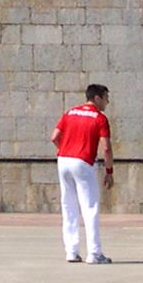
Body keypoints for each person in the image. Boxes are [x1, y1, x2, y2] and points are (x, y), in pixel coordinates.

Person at [51, 83, 114, 265]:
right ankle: (94, 253)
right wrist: (109, 171)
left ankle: (71, 252)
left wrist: (65, 150)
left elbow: (54, 137)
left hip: (63, 160)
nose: (107, 102)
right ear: (97, 98)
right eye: (106, 98)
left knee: (68, 206)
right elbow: (106, 148)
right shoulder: (100, 118)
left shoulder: (70, 113)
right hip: (83, 162)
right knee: (89, 207)